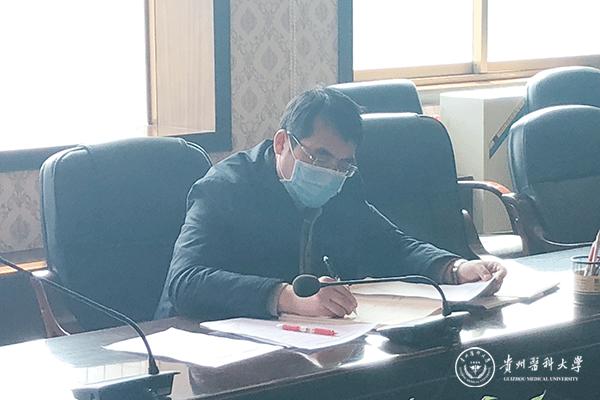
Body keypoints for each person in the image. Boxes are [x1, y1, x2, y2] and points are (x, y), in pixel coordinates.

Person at [155, 87, 507, 321]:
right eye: (319, 156)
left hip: (304, 340)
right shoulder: (226, 188)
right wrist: (285, 297)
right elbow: (185, 281)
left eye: (343, 162)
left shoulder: (344, 183)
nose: (330, 172)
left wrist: (455, 268)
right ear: (282, 143)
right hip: (208, 345)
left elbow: (388, 244)